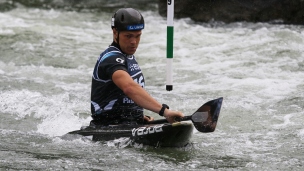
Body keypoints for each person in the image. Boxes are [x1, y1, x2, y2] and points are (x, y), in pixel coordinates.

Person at [90, 8, 184, 126]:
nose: (134, 42)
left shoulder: (128, 57)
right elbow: (129, 88)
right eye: (128, 36)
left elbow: (125, 98)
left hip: (129, 124)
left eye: (137, 36)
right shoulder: (111, 59)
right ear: (115, 33)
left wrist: (138, 116)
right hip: (107, 128)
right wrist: (165, 111)